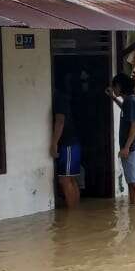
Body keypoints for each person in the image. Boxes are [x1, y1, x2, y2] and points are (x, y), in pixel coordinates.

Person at [109, 72, 135, 206]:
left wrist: (126, 147)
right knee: (130, 182)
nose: (113, 89)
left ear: (119, 86)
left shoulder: (131, 100)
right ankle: (133, 212)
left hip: (133, 148)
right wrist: (113, 98)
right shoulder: (128, 101)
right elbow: (124, 108)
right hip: (129, 148)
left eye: (114, 87)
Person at [51, 75, 81, 209]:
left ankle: (72, 213)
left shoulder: (59, 99)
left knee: (64, 180)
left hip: (67, 144)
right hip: (72, 143)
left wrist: (54, 143)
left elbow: (60, 121)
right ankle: (75, 211)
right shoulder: (65, 98)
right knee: (71, 179)